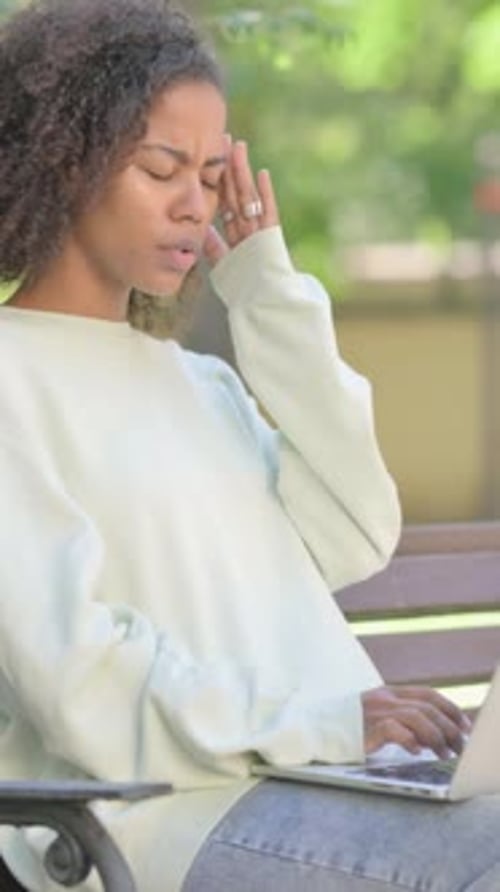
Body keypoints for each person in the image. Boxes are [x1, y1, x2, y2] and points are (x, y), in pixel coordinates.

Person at [0, 1, 497, 891]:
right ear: (65, 160)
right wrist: (327, 723)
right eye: (161, 169)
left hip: (327, 781)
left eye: (208, 175)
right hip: (155, 818)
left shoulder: (202, 384)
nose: (195, 206)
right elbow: (76, 672)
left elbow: (355, 529)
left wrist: (266, 286)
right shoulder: (13, 377)